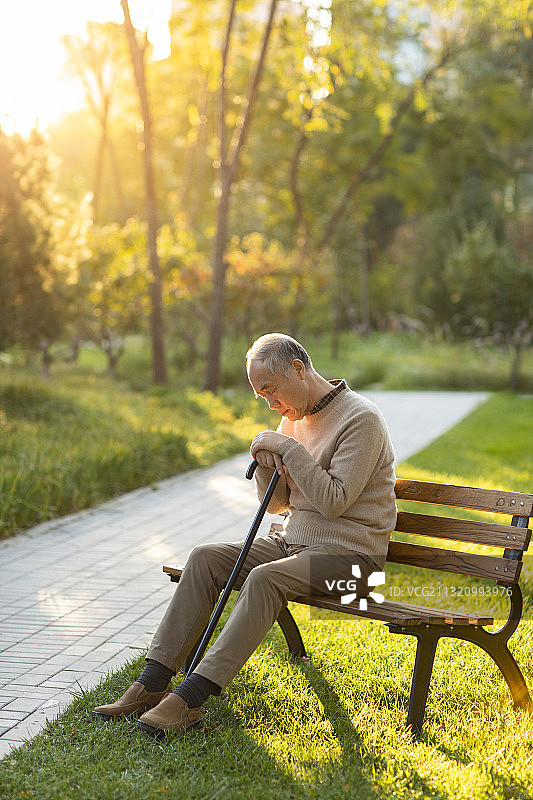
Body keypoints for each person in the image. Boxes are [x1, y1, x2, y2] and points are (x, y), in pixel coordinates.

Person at [93, 333, 397, 735]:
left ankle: (190, 699)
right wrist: (268, 462)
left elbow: (334, 501)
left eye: (271, 391)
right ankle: (152, 683)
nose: (271, 404)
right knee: (204, 557)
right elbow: (276, 505)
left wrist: (287, 450)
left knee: (265, 577)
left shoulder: (362, 418)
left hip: (356, 564)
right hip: (295, 544)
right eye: (262, 397)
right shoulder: (293, 418)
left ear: (297, 369)